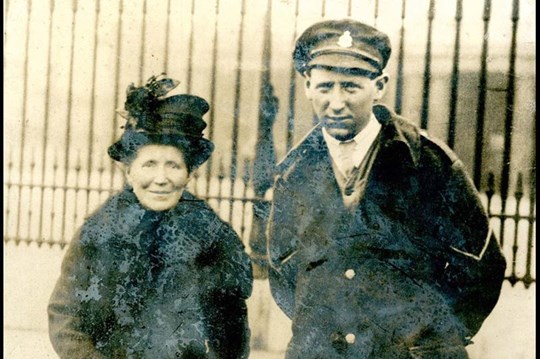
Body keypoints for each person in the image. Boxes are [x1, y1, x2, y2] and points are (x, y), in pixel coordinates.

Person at [266, 19, 506, 358]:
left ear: (379, 86)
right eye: (325, 87)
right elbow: (282, 269)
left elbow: (482, 266)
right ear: (307, 85)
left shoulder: (429, 163)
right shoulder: (294, 173)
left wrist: (435, 338)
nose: (336, 102)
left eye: (350, 87)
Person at [48, 74, 253, 358]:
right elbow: (65, 316)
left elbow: (230, 328)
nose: (161, 179)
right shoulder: (99, 231)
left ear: (189, 173)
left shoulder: (211, 235)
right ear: (128, 171)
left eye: (173, 165)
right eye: (149, 165)